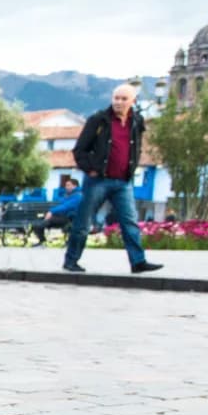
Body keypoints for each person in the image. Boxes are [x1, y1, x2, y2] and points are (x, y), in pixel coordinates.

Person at [65, 84, 162, 274]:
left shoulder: (137, 121)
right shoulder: (98, 120)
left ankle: (138, 262)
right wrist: (90, 169)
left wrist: (132, 168)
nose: (118, 102)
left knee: (130, 222)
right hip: (98, 180)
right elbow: (79, 150)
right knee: (83, 222)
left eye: (123, 99)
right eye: (116, 98)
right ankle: (71, 260)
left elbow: (136, 147)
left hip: (123, 182)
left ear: (133, 101)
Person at [31, 175, 82, 245]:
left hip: (69, 219)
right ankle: (42, 240)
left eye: (68, 185)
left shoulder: (78, 196)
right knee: (37, 222)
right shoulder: (68, 195)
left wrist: (51, 211)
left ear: (75, 186)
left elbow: (65, 207)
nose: (66, 187)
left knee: (44, 222)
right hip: (60, 217)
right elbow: (61, 205)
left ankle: (42, 240)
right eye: (66, 185)